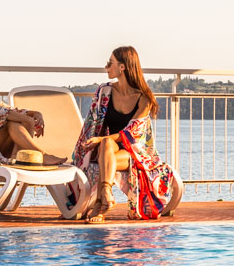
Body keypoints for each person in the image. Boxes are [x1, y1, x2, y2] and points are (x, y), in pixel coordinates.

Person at [72, 46, 180, 223]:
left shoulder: (144, 98)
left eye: (110, 63)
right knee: (106, 146)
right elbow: (91, 122)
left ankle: (100, 204)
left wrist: (101, 139)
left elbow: (132, 133)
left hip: (135, 152)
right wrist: (93, 142)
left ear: (122, 67)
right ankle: (106, 193)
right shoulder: (104, 91)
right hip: (108, 147)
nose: (106, 67)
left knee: (105, 147)